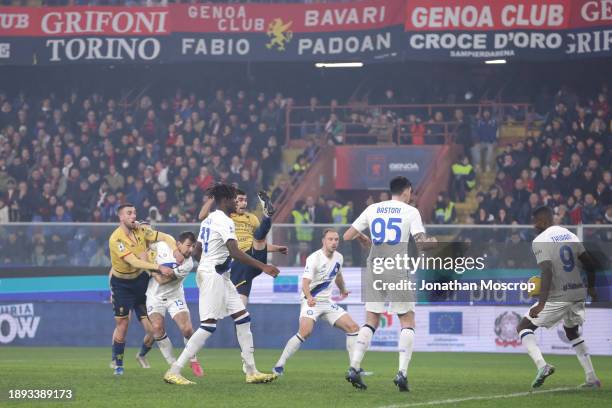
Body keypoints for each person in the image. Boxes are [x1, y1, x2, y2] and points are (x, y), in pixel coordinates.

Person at [164, 184, 280, 385]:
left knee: (243, 318)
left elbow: (198, 250)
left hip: (218, 274)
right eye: (235, 199)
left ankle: (251, 371)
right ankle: (174, 370)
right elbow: (234, 251)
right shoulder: (225, 221)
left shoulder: (209, 219)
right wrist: (264, 266)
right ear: (226, 200)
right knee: (208, 325)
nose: (237, 202)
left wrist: (211, 264)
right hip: (213, 276)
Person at [343, 176, 436, 391]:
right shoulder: (410, 211)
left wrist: (363, 239)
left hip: (374, 266)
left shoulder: (373, 208)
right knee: (407, 320)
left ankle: (354, 367)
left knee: (371, 319)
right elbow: (422, 243)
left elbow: (348, 235)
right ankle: (402, 373)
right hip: (396, 267)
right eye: (410, 192)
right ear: (407, 191)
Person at [516, 206, 600, 389]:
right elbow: (589, 263)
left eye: (535, 221)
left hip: (560, 295)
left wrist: (541, 303)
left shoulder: (540, 240)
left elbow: (546, 271)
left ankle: (542, 365)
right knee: (571, 332)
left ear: (543, 221)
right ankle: (592, 378)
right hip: (578, 293)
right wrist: (592, 288)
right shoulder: (570, 235)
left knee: (523, 326)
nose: (533, 225)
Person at [273, 229, 359, 375]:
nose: (334, 242)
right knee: (305, 332)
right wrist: (310, 297)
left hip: (326, 302)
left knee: (353, 328)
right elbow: (305, 283)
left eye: (336, 240)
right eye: (330, 239)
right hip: (310, 300)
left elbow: (338, 275)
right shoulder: (314, 258)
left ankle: (354, 369)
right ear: (323, 241)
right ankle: (279, 365)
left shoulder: (339, 257)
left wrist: (343, 289)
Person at [108, 204, 179, 376]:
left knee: (153, 329)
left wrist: (175, 249)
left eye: (134, 212)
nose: (134, 215)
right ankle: (118, 363)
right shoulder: (116, 239)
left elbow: (164, 236)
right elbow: (134, 262)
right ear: (121, 217)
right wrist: (158, 268)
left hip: (140, 283)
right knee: (123, 325)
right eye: (129, 213)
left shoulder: (141, 231)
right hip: (122, 286)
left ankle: (141, 355)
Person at [198, 189, 287, 305]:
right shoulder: (224, 217)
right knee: (241, 304)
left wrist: (275, 249)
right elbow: (202, 216)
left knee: (259, 236)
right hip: (241, 261)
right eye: (240, 200)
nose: (244, 203)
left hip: (251, 257)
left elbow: (257, 243)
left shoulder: (252, 218)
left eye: (245, 200)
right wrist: (212, 199)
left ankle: (267, 215)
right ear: (232, 201)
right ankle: (241, 317)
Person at [146, 231, 203, 377]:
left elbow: (162, 280)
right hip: (155, 296)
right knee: (157, 328)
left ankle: (193, 358)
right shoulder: (162, 246)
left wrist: (150, 268)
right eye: (188, 246)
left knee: (187, 330)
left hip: (174, 296)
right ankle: (173, 365)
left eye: (193, 247)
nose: (190, 250)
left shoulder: (188, 263)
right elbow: (145, 246)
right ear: (178, 245)